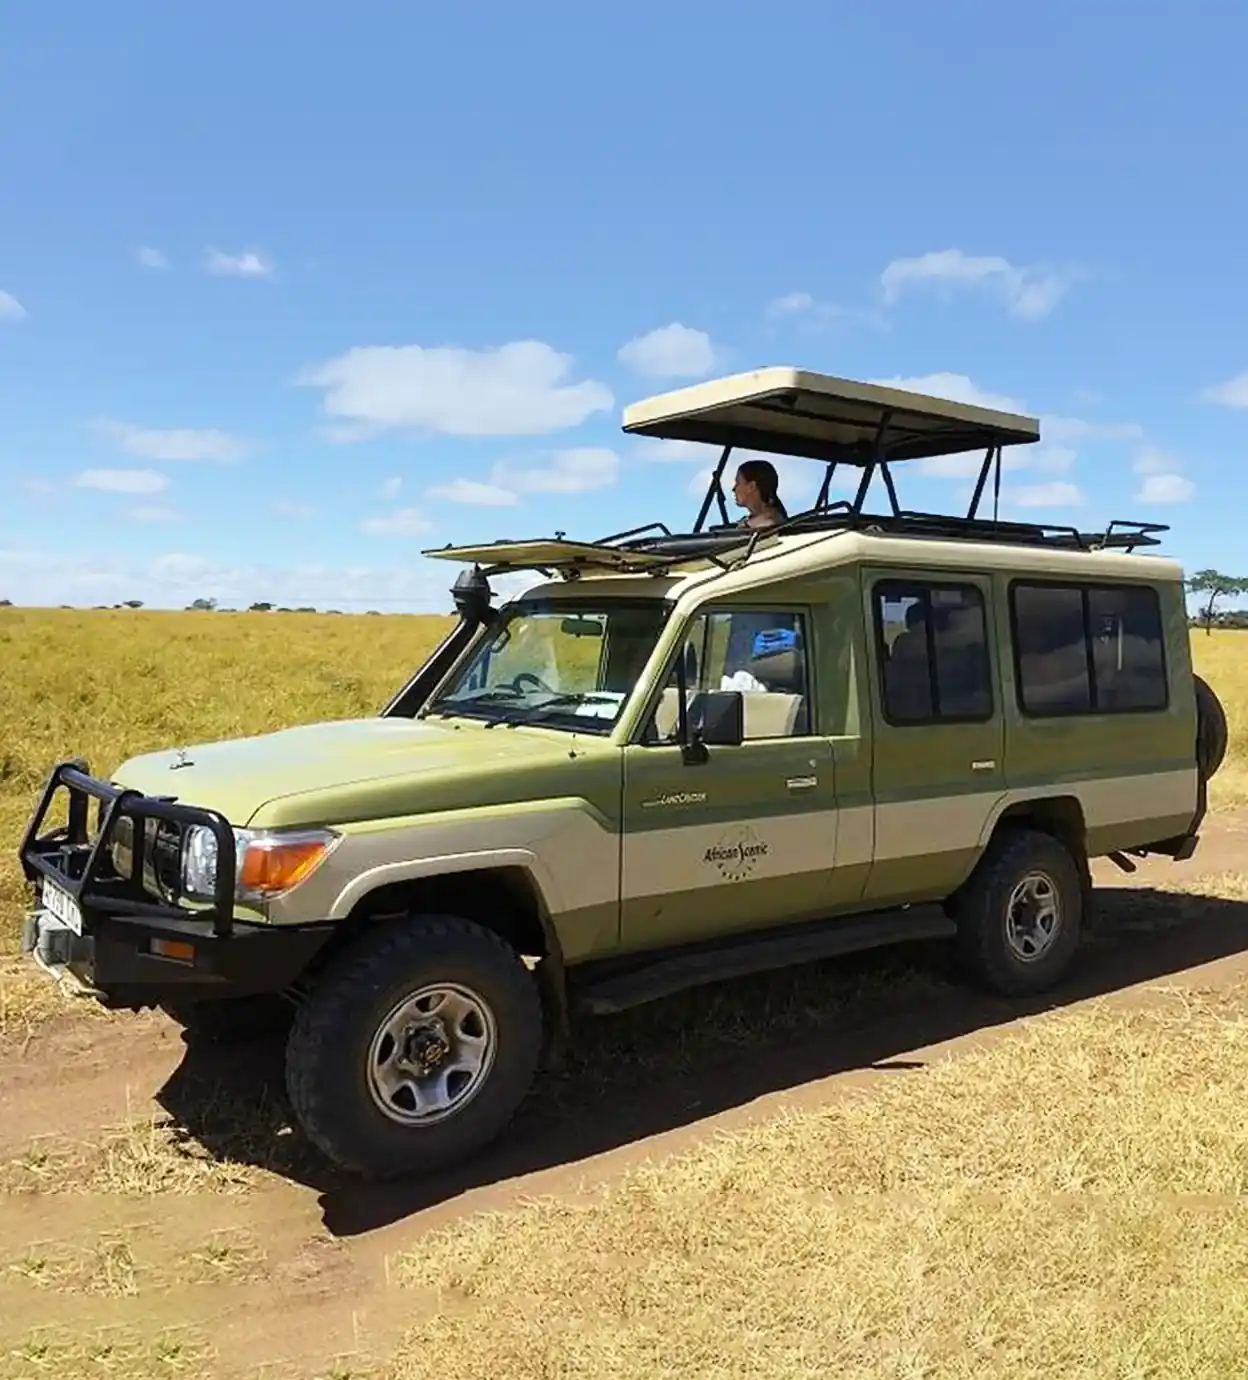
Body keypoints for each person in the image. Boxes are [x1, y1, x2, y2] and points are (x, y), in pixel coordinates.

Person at [732, 458, 788, 530]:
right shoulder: (749, 522)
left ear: (751, 486)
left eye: (738, 483)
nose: (733, 489)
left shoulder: (771, 522)